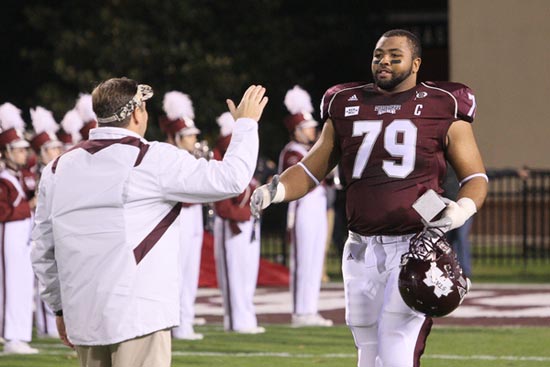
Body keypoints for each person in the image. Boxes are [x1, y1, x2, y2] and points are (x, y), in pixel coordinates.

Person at [252, 29, 487, 367]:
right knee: (367, 348)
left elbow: (475, 177)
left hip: (414, 244)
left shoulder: (443, 103)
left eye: (394, 55)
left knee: (396, 345)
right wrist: (276, 190)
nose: (384, 62)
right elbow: (311, 167)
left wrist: (461, 210)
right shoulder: (346, 102)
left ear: (416, 63)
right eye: (378, 55)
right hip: (360, 246)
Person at [31, 78, 268, 367]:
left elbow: (43, 248)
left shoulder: (58, 167)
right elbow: (231, 179)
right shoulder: (152, 159)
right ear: (136, 114)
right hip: (137, 312)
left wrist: (59, 308)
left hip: (83, 311)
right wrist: (245, 125)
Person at [279, 86, 332, 327]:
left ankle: (310, 308)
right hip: (302, 208)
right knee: (302, 260)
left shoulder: (309, 151)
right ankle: (300, 310)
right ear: (297, 131)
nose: (313, 130)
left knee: (313, 259)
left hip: (317, 206)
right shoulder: (293, 151)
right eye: (308, 127)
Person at [212, 112, 264, 334]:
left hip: (248, 225)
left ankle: (247, 317)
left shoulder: (244, 164)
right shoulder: (220, 162)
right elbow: (223, 206)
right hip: (232, 225)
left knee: (247, 274)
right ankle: (236, 321)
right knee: (233, 274)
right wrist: (246, 213)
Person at [159, 90, 205, 340]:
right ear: (176, 137)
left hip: (193, 214)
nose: (193, 138)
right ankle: (176, 323)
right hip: (178, 217)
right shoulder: (168, 155)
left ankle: (185, 321)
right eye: (188, 135)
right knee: (177, 272)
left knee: (191, 272)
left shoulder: (189, 155)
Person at [0, 103, 38, 354]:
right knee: (10, 283)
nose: (24, 155)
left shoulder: (18, 177)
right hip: (9, 234)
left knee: (23, 283)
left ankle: (20, 334)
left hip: (23, 234)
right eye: (18, 150)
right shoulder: (4, 179)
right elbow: (4, 212)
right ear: (6, 152)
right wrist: (29, 204)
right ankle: (10, 335)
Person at [29, 105, 65, 338]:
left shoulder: (61, 169)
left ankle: (50, 322)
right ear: (41, 152)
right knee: (40, 271)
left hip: (49, 223)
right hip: (32, 226)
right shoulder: (34, 173)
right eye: (51, 149)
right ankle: (44, 324)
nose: (56, 151)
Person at [442, 163, 473, 277]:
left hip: (461, 209)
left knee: (461, 238)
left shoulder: (465, 167)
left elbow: (482, 175)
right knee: (445, 242)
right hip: (445, 209)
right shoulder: (441, 166)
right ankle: (447, 269)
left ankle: (465, 272)